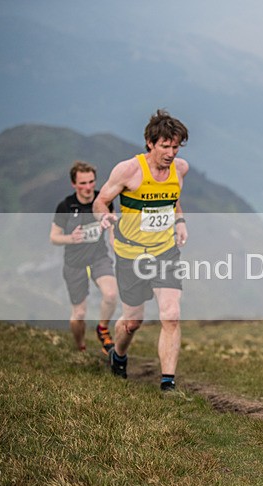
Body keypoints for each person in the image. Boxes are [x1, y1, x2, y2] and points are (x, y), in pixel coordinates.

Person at [94, 109, 189, 393]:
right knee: (133, 321)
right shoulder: (128, 170)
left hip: (165, 251)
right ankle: (118, 355)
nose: (171, 153)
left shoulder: (180, 169)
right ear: (150, 142)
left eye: (175, 147)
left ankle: (168, 384)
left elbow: (173, 201)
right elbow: (101, 201)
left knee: (171, 314)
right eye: (165, 146)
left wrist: (180, 221)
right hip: (131, 254)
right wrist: (104, 217)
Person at [50, 161, 118, 354]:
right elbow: (53, 237)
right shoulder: (66, 206)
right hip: (74, 263)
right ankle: (80, 346)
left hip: (99, 257)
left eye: (91, 182)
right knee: (79, 314)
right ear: (74, 184)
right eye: (82, 183)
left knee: (111, 295)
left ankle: (102, 329)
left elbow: (112, 227)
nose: (88, 187)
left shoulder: (103, 201)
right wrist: (71, 238)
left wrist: (116, 244)